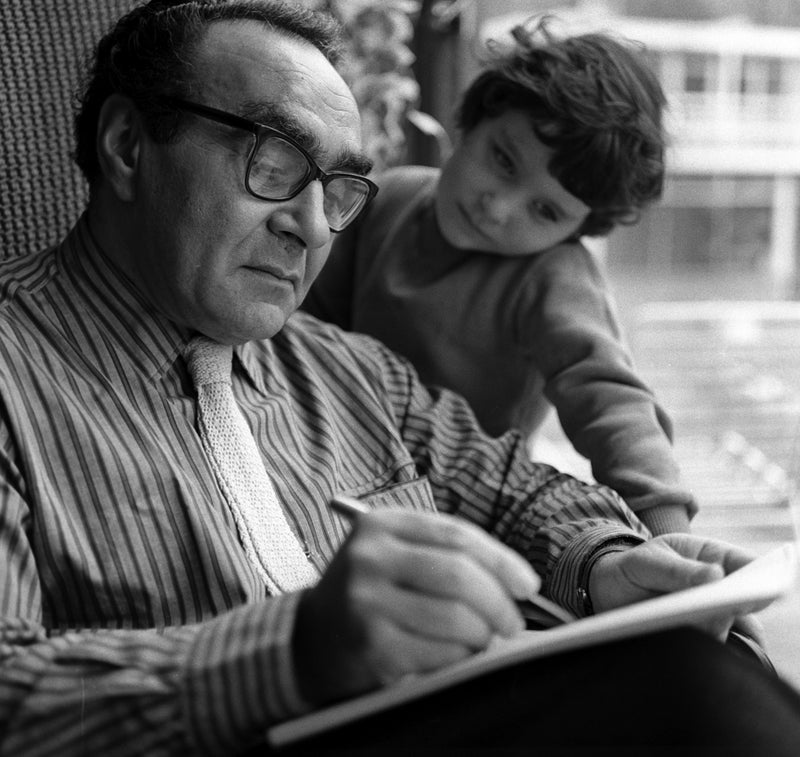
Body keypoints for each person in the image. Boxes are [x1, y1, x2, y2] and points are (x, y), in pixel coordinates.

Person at [0, 1, 799, 755]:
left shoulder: (353, 370)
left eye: (337, 190)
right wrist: (289, 655)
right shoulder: (14, 375)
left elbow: (521, 487)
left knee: (700, 672)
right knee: (690, 695)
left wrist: (606, 562)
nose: (312, 226)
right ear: (128, 145)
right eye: (272, 161)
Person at [302, 17, 694, 536]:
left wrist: (666, 528)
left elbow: (610, 400)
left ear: (580, 229)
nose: (498, 207)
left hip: (466, 515)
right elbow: (306, 324)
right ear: (474, 119)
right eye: (504, 160)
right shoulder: (390, 197)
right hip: (334, 474)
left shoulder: (554, 274)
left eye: (546, 212)